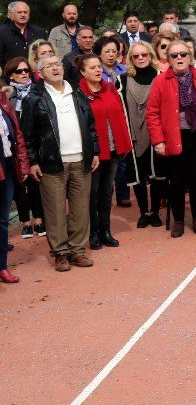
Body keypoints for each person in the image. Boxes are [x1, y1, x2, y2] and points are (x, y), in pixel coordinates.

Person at [21, 54, 100, 271]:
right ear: (41, 72)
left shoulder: (77, 92)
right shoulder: (34, 97)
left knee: (80, 210)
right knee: (55, 212)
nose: (55, 68)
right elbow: (27, 134)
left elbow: (90, 126)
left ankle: (77, 251)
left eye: (57, 64)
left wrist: (94, 151)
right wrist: (33, 161)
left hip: (80, 161)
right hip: (52, 163)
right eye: (49, 66)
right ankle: (61, 253)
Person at [148, 40, 196, 238]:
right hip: (173, 137)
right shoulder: (161, 81)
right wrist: (158, 141)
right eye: (174, 55)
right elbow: (152, 113)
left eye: (183, 54)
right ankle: (179, 221)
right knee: (176, 182)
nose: (179, 58)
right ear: (168, 59)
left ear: (190, 57)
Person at [76, 54, 132, 249]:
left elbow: (120, 116)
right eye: (92, 68)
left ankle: (105, 231)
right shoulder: (79, 94)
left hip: (113, 148)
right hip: (95, 153)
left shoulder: (110, 88)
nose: (98, 70)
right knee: (92, 193)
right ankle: (92, 233)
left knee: (107, 192)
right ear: (82, 72)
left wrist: (124, 143)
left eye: (99, 66)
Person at [122, 41, 165, 228]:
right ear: (130, 58)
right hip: (133, 135)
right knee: (138, 177)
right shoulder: (122, 80)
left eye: (144, 55)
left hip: (157, 135)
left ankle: (155, 211)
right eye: (136, 56)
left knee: (157, 176)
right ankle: (143, 212)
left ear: (150, 55)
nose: (140, 58)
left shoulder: (161, 77)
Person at [4, 57, 45, 239]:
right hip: (14, 148)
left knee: (36, 182)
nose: (23, 74)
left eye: (26, 70)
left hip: (35, 145)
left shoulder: (38, 92)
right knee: (20, 185)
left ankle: (38, 219)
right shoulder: (6, 97)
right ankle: (25, 222)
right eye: (19, 71)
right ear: (11, 75)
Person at [0, 81, 29, 284]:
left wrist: (23, 164)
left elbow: (17, 135)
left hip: (7, 168)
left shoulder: (4, 102)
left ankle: (2, 266)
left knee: (2, 220)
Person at [0, 1, 46, 65]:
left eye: (25, 12)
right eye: (19, 12)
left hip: (34, 72)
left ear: (29, 14)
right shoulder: (2, 32)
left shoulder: (39, 32)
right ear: (12, 14)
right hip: (11, 72)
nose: (23, 15)